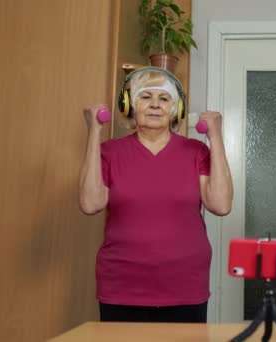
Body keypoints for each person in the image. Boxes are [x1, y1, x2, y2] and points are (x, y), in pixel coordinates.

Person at [78, 66, 233, 323]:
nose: (155, 105)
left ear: (176, 109)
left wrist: (215, 136)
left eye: (164, 98)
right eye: (145, 97)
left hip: (185, 284)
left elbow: (221, 204)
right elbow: (90, 203)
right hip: (121, 285)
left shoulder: (196, 152)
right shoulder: (109, 152)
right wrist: (93, 132)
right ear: (129, 105)